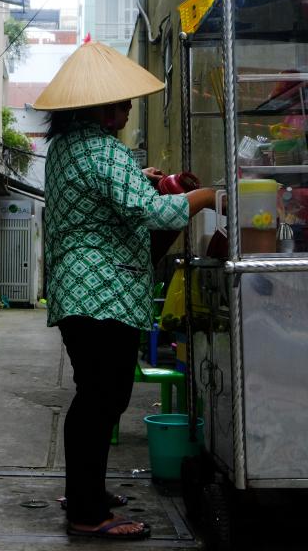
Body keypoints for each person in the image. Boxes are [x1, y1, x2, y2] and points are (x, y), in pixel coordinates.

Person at [34, 41, 216, 540]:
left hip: (79, 292)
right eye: (122, 102)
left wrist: (153, 180)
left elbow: (113, 193)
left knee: (96, 397)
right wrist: (207, 196)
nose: (129, 109)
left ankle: (85, 491)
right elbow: (153, 213)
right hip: (103, 293)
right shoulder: (104, 151)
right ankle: (88, 514)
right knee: (101, 398)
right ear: (99, 108)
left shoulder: (68, 149)